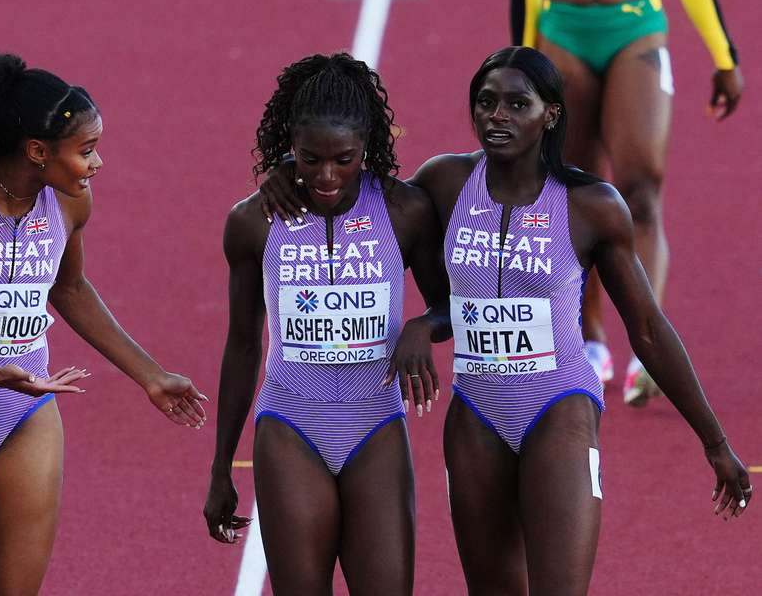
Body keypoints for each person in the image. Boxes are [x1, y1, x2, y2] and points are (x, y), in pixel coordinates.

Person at [260, 46, 752, 596]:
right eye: (487, 102)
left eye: (518, 104)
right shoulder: (445, 184)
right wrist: (282, 172)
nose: (499, 116)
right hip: (476, 417)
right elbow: (353, 180)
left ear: (551, 114)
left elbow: (648, 329)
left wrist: (714, 441)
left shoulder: (590, 205)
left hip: (558, 407)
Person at [0, 52, 207, 595]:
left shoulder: (70, 202)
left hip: (29, 411)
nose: (97, 164)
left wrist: (150, 375)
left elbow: (70, 287)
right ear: (37, 151)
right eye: (86, 151)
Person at [203, 53, 449, 595]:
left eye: (345, 159)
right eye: (310, 159)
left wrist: (419, 328)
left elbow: (450, 306)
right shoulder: (251, 222)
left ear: (368, 147)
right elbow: (242, 346)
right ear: (289, 144)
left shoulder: (405, 211)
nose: (327, 176)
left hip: (375, 424)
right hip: (291, 424)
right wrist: (221, 465)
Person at [509, 0, 743, 405]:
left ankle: (649, 350)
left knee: (641, 192)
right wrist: (521, 59)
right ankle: (587, 341)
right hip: (562, 30)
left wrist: (724, 55)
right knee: (570, 192)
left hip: (634, 28)